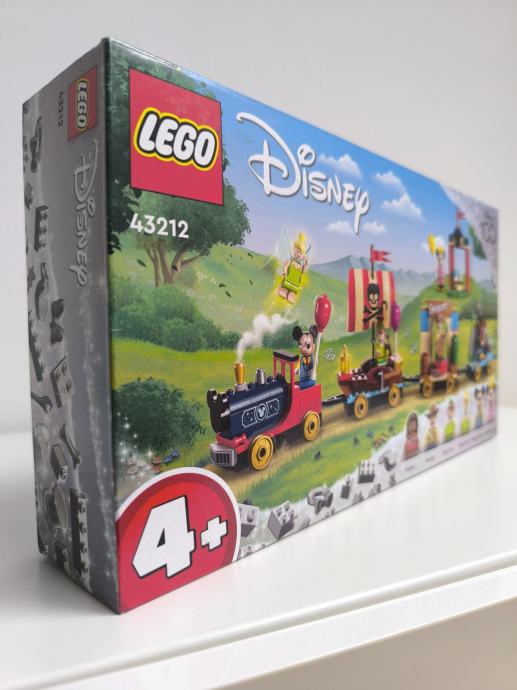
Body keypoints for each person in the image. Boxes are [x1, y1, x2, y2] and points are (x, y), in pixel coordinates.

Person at [278, 233, 309, 303]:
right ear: (294, 249)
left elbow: (303, 272)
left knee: (291, 297)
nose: (299, 254)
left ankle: (290, 295)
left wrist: (305, 265)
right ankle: (282, 290)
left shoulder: (301, 266)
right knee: (283, 293)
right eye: (298, 251)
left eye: (301, 253)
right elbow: (285, 267)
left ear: (303, 255)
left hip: (295, 284)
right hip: (287, 280)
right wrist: (285, 272)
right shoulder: (291, 260)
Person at [292, 324, 318, 389]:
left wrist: (315, 363)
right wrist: (297, 369)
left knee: (305, 384)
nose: (306, 349)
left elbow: (314, 364)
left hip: (310, 378)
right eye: (303, 345)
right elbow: (299, 364)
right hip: (302, 378)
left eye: (309, 345)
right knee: (300, 385)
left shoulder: (312, 358)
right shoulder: (302, 358)